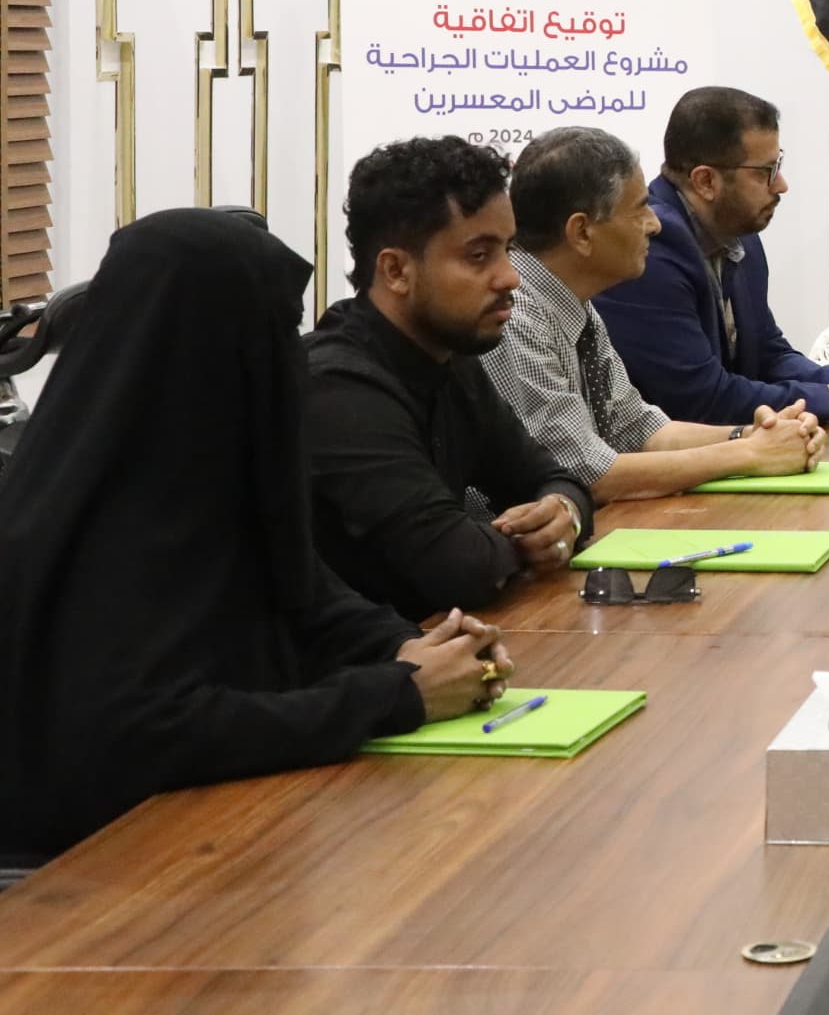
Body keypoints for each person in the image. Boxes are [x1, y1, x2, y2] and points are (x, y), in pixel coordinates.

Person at [0, 210, 514, 860]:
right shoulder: (112, 515)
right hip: (95, 869)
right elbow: (146, 731)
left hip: (221, 835)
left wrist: (412, 647)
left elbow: (305, 593)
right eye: (275, 332)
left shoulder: (210, 464)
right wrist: (397, 695)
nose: (291, 356)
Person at [305, 138, 594, 619]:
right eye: (479, 256)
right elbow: (460, 567)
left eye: (508, 250)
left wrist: (564, 512)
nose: (510, 277)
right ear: (396, 270)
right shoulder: (337, 389)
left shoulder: (449, 354)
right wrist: (528, 541)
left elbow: (552, 477)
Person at [491, 127, 829, 503]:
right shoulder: (514, 317)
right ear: (582, 232)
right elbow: (586, 472)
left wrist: (753, 434)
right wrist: (749, 454)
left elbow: (641, 429)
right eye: (639, 209)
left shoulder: (578, 307)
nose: (654, 223)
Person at [594, 87, 829, 428]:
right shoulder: (652, 248)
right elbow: (699, 400)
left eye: (778, 166)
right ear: (706, 181)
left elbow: (767, 355)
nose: (781, 185)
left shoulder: (739, 235)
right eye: (766, 172)